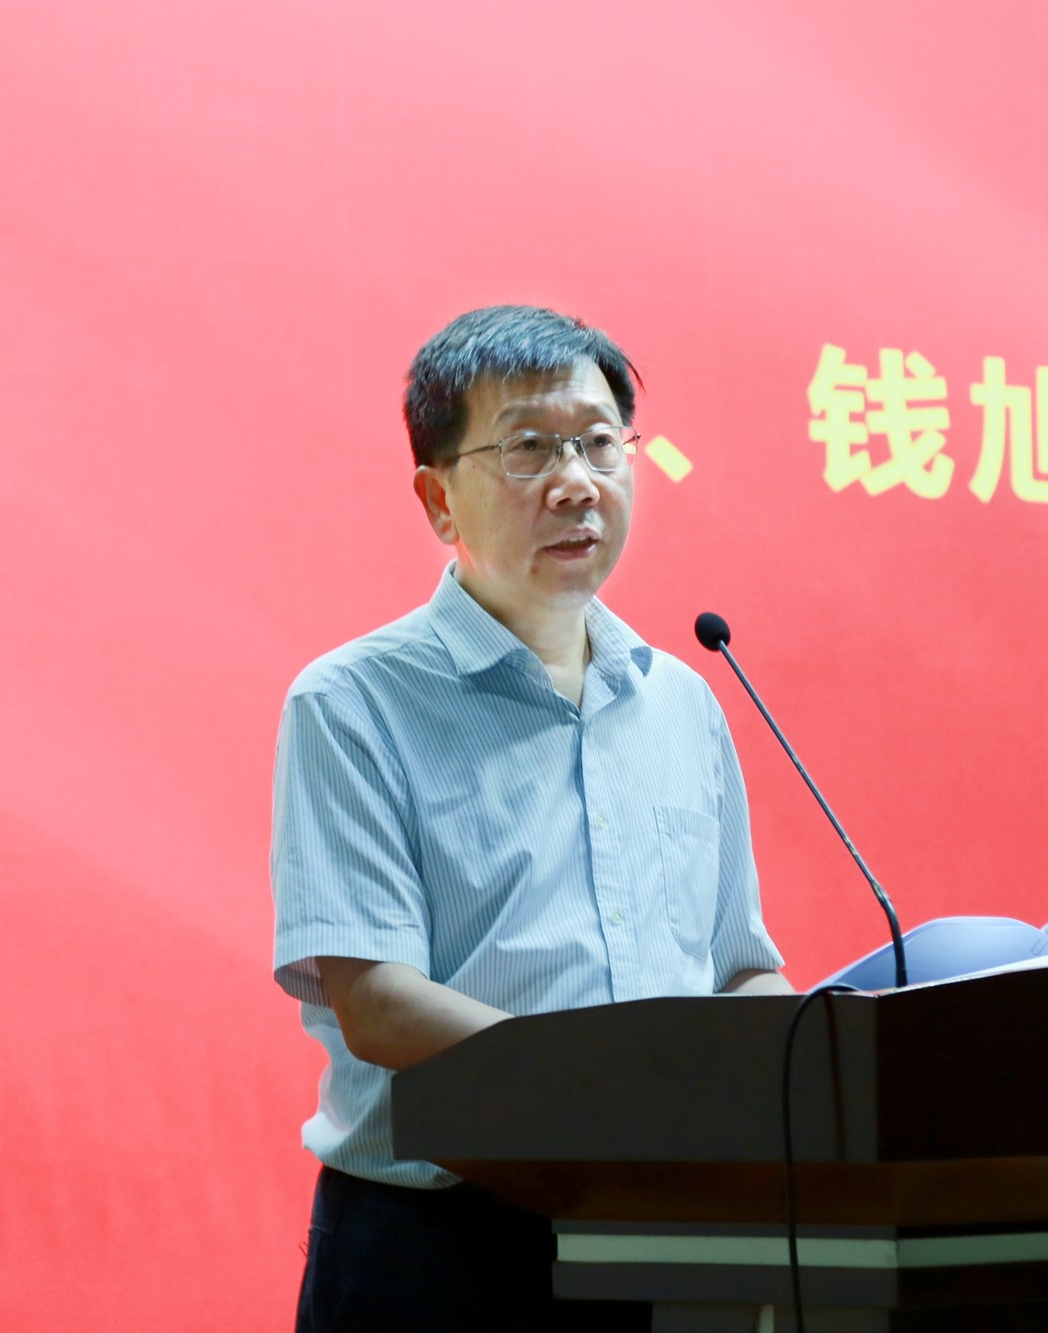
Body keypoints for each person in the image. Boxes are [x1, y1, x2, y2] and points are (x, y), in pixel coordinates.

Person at [270, 305, 791, 1331]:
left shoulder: (682, 702)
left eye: (600, 444)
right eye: (529, 450)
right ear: (438, 498)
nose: (576, 482)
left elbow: (736, 970)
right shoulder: (354, 701)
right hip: (440, 1247)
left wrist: (809, 1059)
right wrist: (606, 1092)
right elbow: (376, 999)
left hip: (671, 1236)